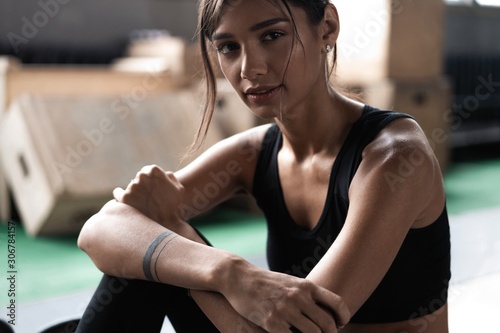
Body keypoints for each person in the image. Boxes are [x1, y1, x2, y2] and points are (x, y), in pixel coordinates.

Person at [76, 0, 451, 332]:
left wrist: (172, 235)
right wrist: (230, 274)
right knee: (147, 256)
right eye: (228, 47)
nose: (249, 68)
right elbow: (100, 230)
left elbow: (306, 327)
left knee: (158, 241)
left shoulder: (395, 156)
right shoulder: (253, 153)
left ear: (327, 29)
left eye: (272, 36)